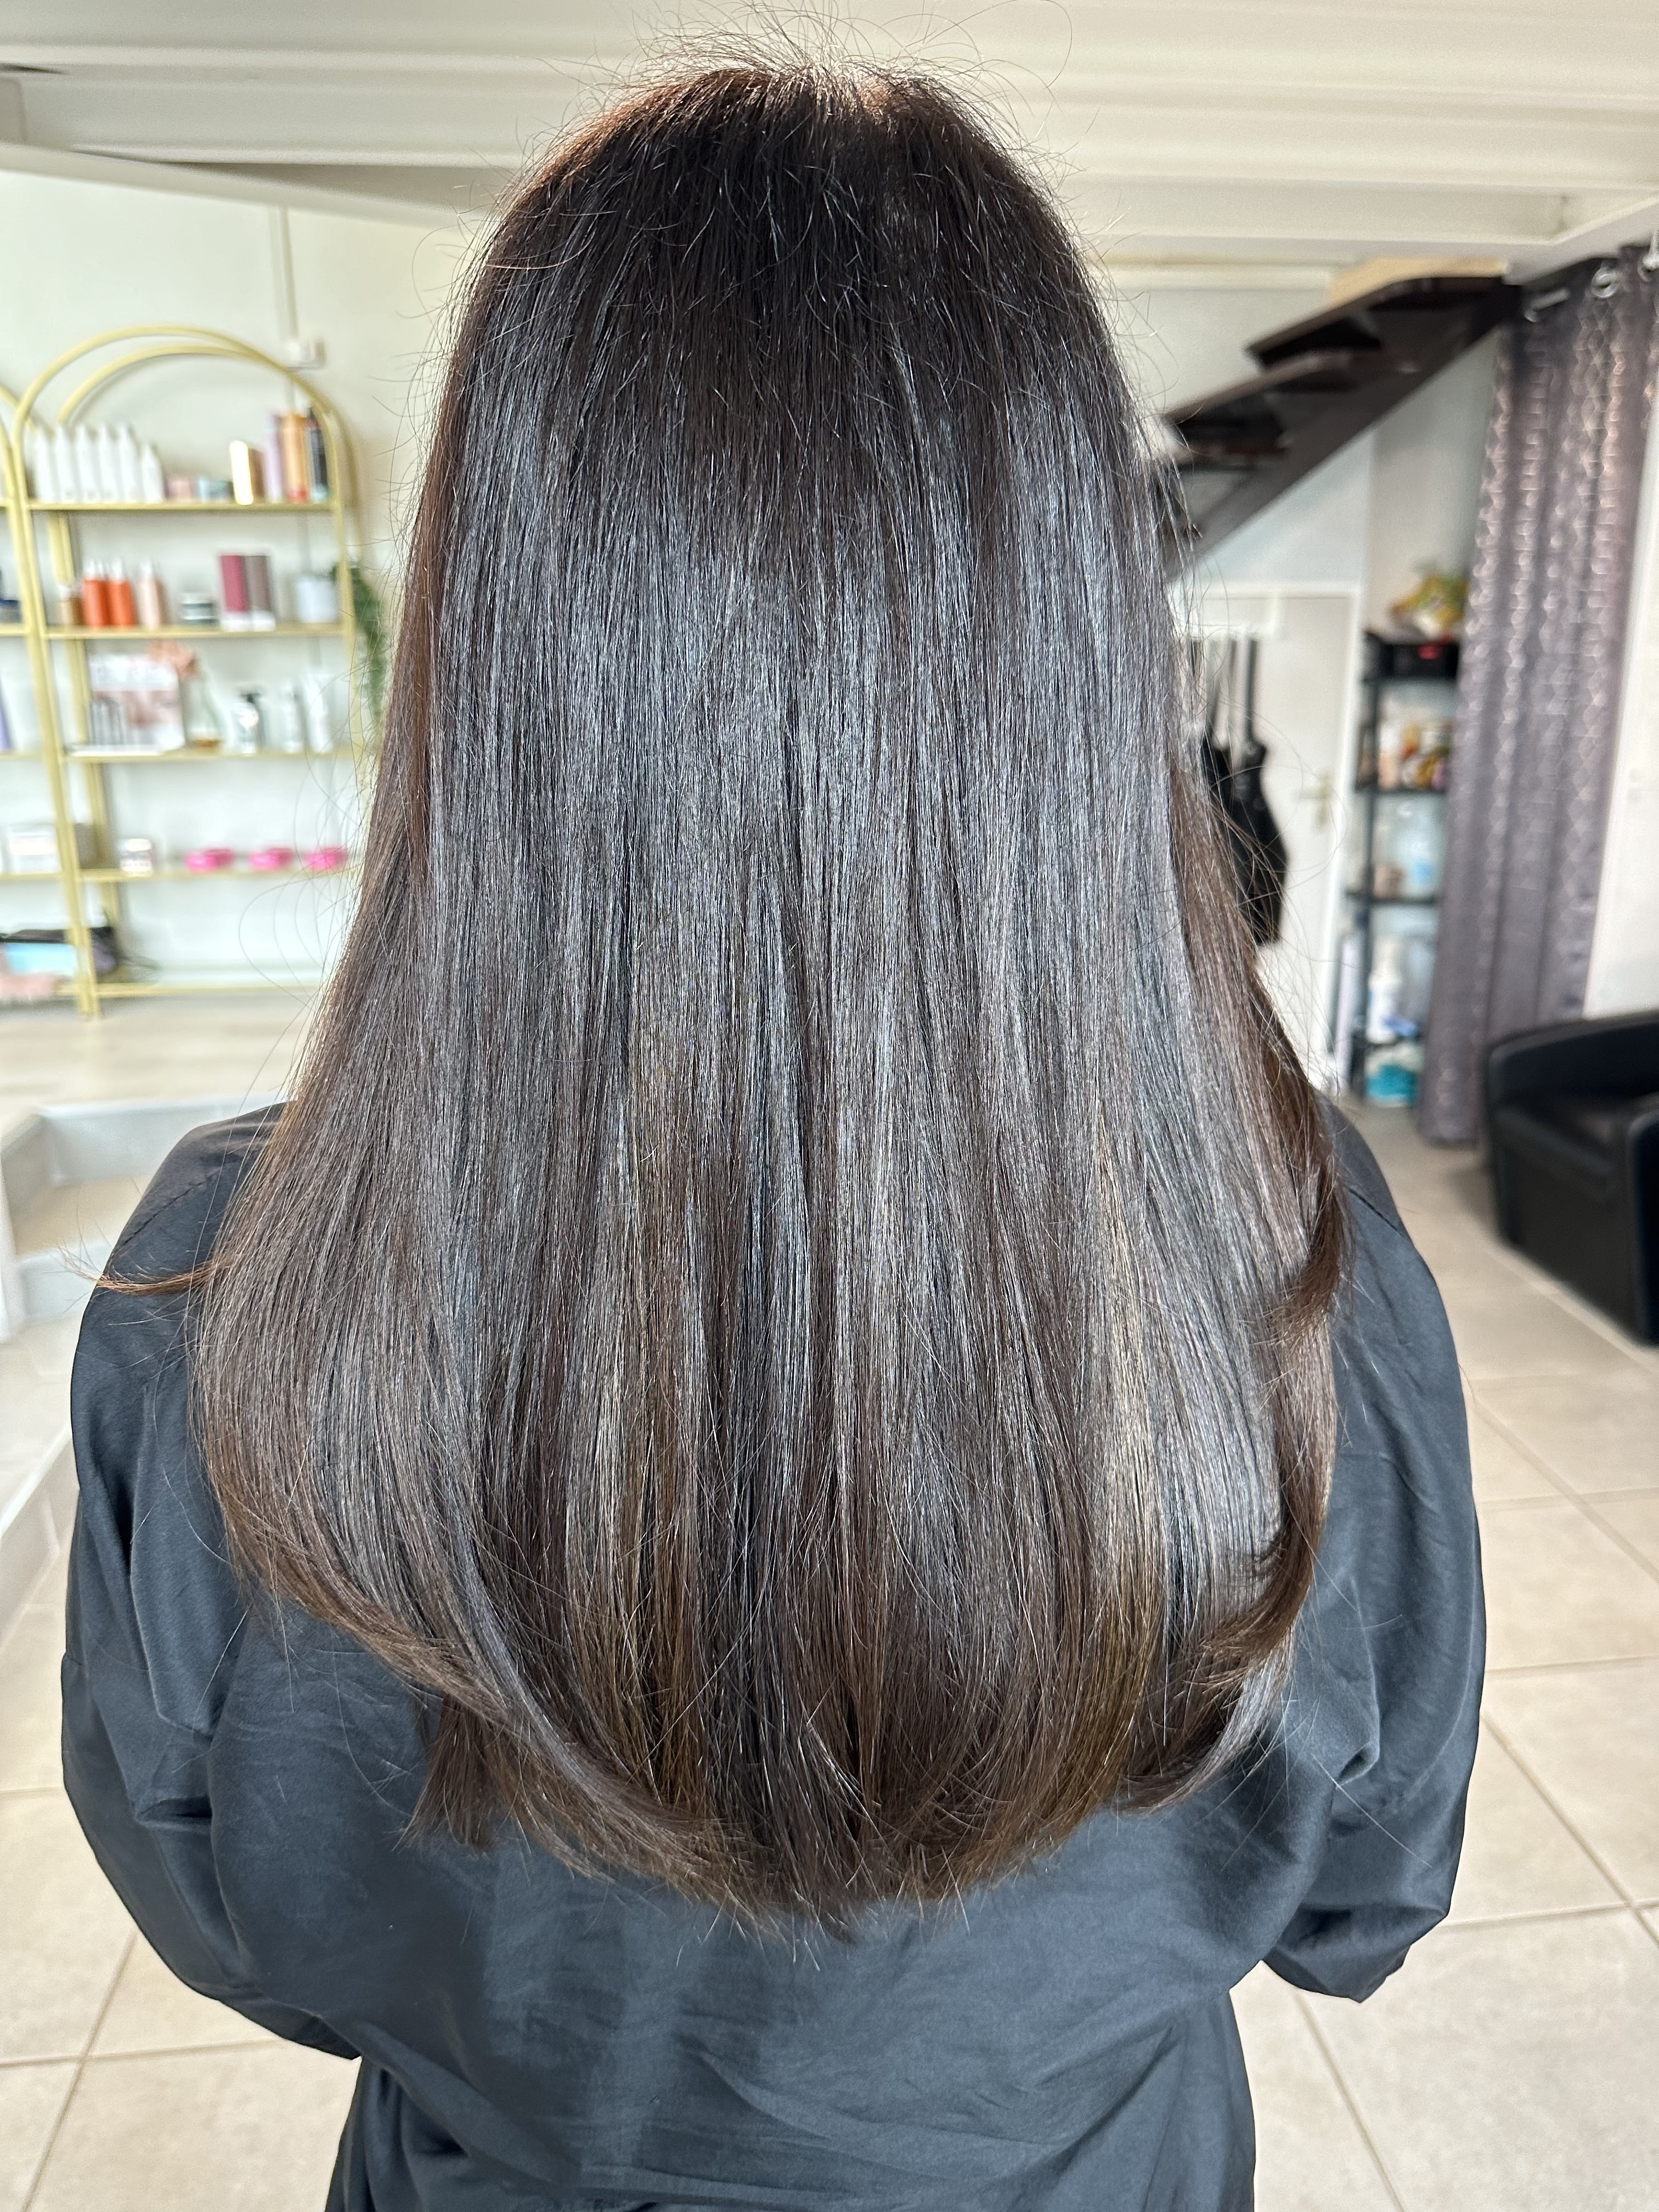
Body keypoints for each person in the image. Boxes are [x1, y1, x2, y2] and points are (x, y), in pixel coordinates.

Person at [63, 64, 1481, 2212]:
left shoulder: (226, 1280)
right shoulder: (1290, 1247)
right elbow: (1371, 1888)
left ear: (497, 632)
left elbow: (231, 1916)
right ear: (1072, 639)